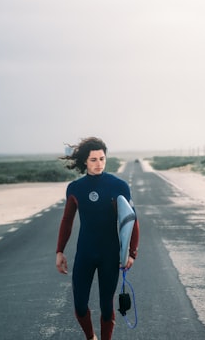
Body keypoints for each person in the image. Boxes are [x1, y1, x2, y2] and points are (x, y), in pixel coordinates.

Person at [56, 137, 140, 340]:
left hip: (109, 254)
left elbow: (132, 220)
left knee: (106, 305)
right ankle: (90, 337)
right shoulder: (75, 188)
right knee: (80, 305)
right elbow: (67, 221)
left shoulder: (118, 186)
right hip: (85, 252)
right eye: (93, 159)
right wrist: (60, 251)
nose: (99, 163)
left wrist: (131, 253)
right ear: (85, 161)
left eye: (102, 158)